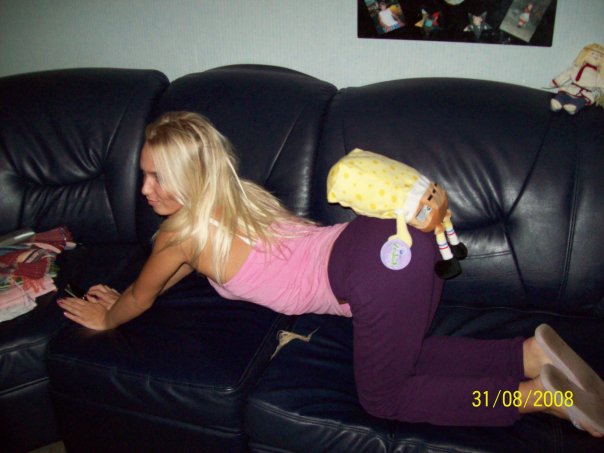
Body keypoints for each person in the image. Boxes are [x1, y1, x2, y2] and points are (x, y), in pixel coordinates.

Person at [57, 111, 604, 437]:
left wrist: (108, 317)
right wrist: (125, 294)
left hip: (377, 274)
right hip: (394, 240)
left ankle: (535, 397)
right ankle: (528, 354)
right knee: (406, 360)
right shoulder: (239, 195)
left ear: (189, 177)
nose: (145, 189)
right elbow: (171, 272)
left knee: (385, 400)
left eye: (156, 177)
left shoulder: (179, 236)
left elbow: (142, 295)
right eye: (144, 175)